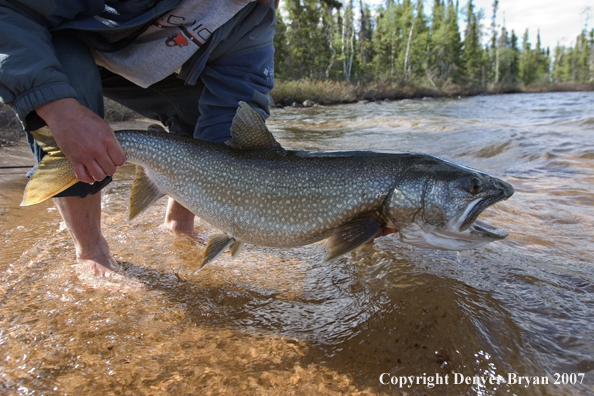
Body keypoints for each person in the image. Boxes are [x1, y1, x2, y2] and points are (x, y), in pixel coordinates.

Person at [0, 0, 278, 276]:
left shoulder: (255, 17)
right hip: (61, 39)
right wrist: (60, 110)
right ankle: (91, 250)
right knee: (69, 85)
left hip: (142, 66)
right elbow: (11, 11)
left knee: (212, 111)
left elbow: (231, 122)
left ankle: (179, 224)